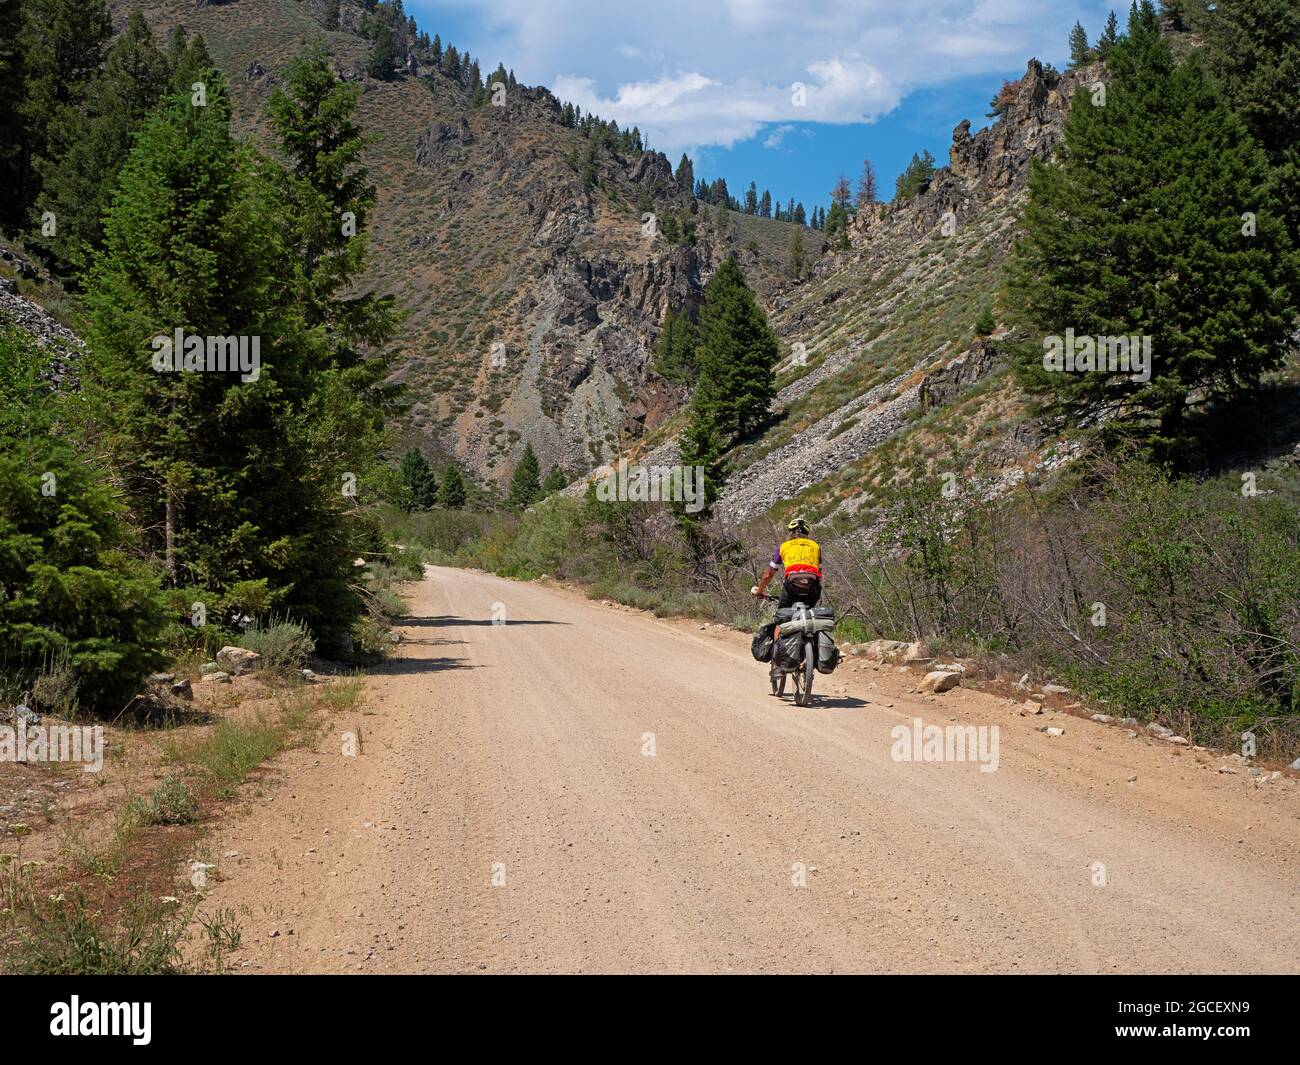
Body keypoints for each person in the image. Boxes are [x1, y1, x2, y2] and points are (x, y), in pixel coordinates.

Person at [751, 516, 822, 607]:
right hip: (812, 587)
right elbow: (820, 575)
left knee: (782, 616)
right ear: (807, 534)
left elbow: (768, 575)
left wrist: (760, 591)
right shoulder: (816, 547)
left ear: (791, 533)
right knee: (810, 614)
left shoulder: (783, 547)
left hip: (792, 586)